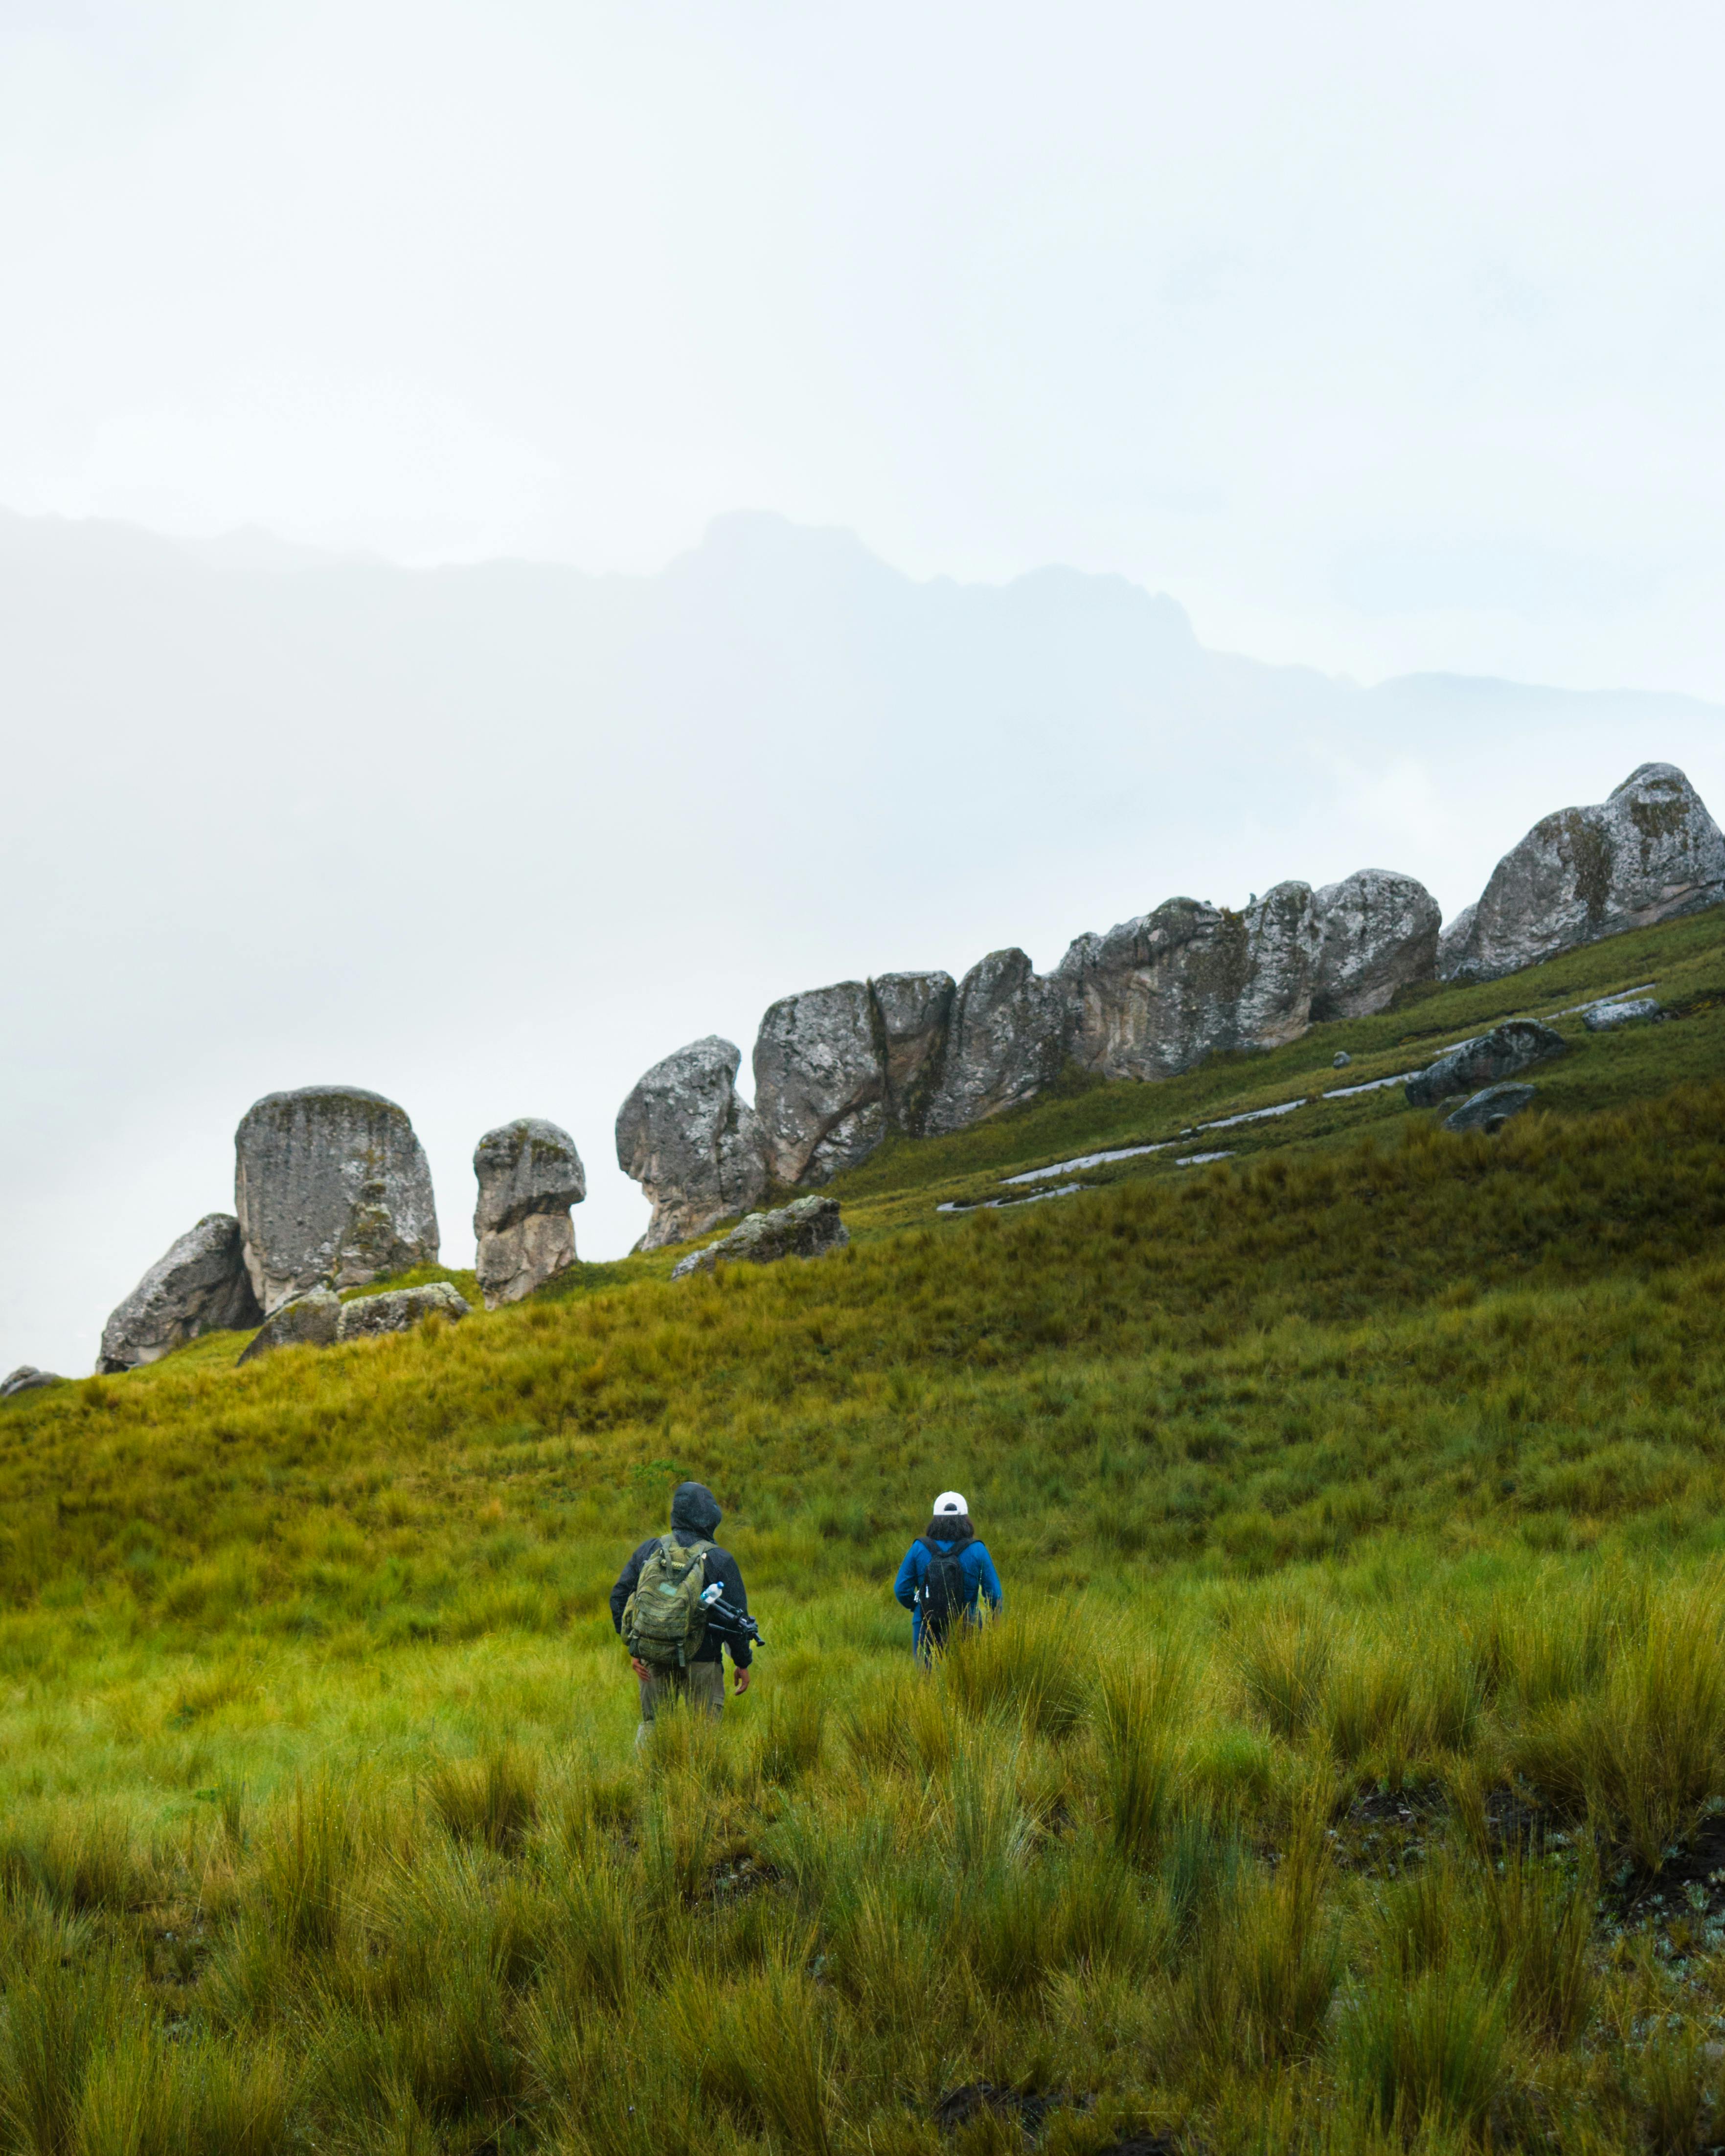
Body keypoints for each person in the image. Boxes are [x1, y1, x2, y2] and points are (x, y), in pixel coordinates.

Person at [610, 1480, 752, 1736]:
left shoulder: (651, 1550)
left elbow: (620, 1596)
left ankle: (649, 1777)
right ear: (710, 1517)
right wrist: (742, 1662)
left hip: (653, 1658)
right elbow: (736, 1620)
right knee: (704, 1737)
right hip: (703, 1661)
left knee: (654, 1730)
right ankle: (699, 1778)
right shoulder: (720, 1559)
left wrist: (635, 1646)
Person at [893, 1489, 1002, 1660]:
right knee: (967, 1682)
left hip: (925, 1623)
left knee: (927, 1681)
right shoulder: (977, 1550)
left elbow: (901, 1590)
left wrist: (918, 1607)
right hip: (968, 1624)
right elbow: (995, 1595)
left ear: (935, 1519)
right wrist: (995, 1620)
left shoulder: (919, 1548)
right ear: (966, 1518)